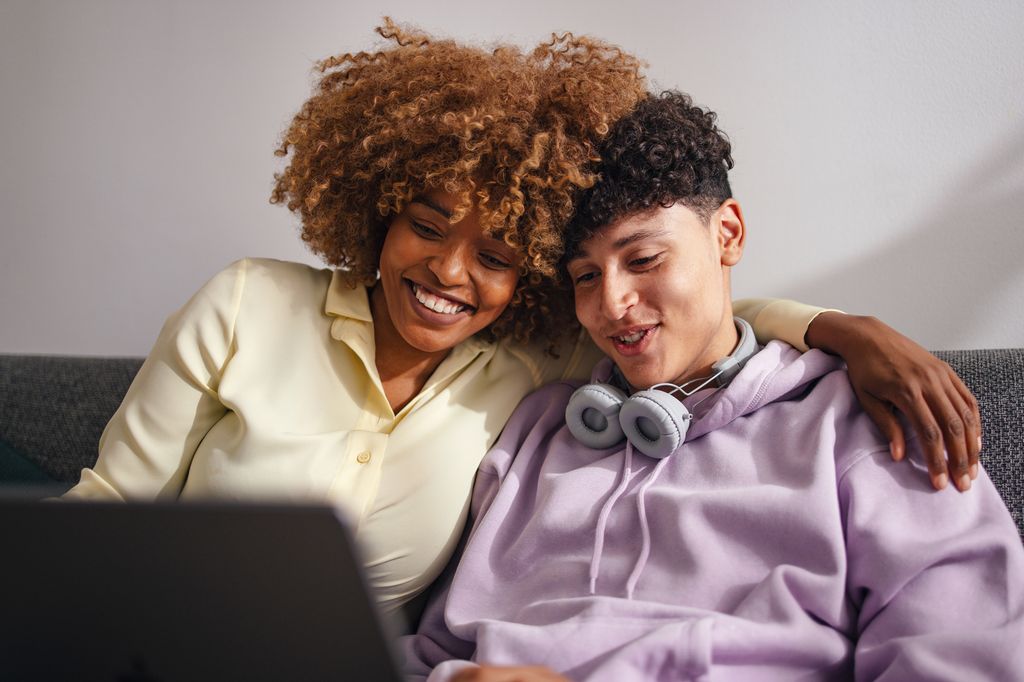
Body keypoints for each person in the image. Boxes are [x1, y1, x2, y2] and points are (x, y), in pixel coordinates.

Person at [63, 23, 981, 618]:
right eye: (425, 226)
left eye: (498, 256)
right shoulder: (247, 303)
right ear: (377, 211)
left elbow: (687, 329)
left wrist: (843, 330)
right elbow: (104, 510)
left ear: (529, 278)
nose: (450, 274)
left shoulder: (534, 362)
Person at [402, 91, 1024, 680]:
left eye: (643, 260)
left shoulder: (860, 419)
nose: (612, 304)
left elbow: (959, 653)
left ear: (726, 235)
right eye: (585, 275)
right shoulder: (537, 431)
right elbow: (430, 650)